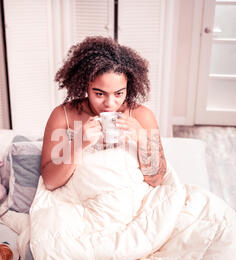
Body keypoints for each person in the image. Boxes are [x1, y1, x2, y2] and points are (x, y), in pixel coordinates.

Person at [40, 36, 167, 191]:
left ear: (129, 88)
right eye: (100, 94)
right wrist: (78, 144)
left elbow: (156, 180)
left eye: (119, 94)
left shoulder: (142, 116)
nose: (109, 104)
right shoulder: (63, 115)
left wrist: (143, 140)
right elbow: (50, 182)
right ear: (85, 85)